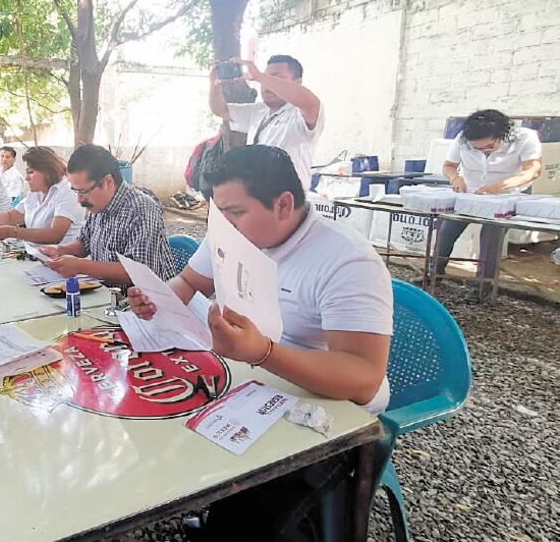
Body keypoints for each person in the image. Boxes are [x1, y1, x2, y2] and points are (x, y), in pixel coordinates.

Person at [127, 145, 393, 541]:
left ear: (284, 204)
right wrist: (156, 299)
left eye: (236, 212)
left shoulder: (346, 261)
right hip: (251, 378)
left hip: (331, 412)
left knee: (252, 514)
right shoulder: (230, 233)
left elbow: (363, 377)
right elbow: (186, 283)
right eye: (220, 214)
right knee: (154, 422)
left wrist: (262, 353)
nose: (225, 225)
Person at [37, 144, 173, 285]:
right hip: (106, 295)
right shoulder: (98, 205)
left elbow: (138, 273)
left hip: (142, 302)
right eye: (76, 191)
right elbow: (84, 242)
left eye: (83, 192)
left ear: (108, 182)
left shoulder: (142, 210)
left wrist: (80, 266)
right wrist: (61, 251)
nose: (79, 199)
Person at [434, 109, 543, 284]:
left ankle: (482, 286)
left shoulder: (525, 138)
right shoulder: (462, 138)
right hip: (470, 194)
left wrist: (499, 186)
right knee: (447, 231)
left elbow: (533, 170)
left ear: (501, 135)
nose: (483, 152)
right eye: (476, 149)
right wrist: (455, 178)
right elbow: (449, 166)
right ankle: (433, 274)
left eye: (489, 147)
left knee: (491, 238)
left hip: (506, 196)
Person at [210, 55, 323, 190]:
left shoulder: (299, 113)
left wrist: (259, 76)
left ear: (297, 82)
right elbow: (220, 110)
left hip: (288, 203)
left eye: (276, 78)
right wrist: (214, 85)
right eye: (265, 78)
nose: (266, 85)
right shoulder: (258, 111)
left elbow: (311, 103)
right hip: (257, 199)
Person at [0, 146, 84, 245]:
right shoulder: (35, 193)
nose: (26, 178)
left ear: (47, 172)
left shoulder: (67, 192)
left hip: (62, 263)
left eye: (31, 172)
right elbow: (9, 218)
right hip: (38, 256)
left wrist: (13, 232)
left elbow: (54, 235)